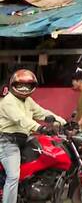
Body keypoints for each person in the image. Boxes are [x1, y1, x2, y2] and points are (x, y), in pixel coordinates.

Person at [0, 69, 66, 203]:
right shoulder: (8, 102)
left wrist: (63, 122)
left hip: (25, 140)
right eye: (20, 85)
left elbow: (43, 113)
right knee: (13, 176)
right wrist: (39, 127)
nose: (24, 89)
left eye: (27, 86)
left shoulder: (28, 101)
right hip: (8, 142)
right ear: (13, 85)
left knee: (44, 157)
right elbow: (21, 119)